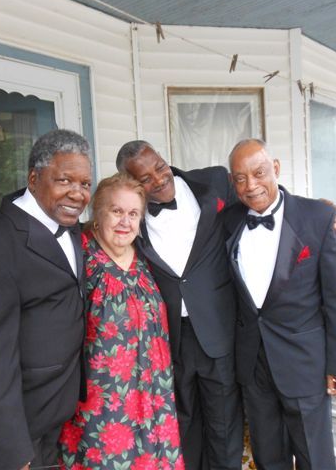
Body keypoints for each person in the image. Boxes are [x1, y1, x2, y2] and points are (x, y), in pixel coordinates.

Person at [0, 129, 92, 470]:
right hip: (20, 422)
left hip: (58, 410)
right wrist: (10, 451)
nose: (77, 194)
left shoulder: (70, 226)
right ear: (34, 179)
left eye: (85, 184)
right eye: (65, 180)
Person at [224, 138, 336, 470]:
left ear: (276, 169)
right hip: (253, 366)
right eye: (240, 178)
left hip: (305, 363)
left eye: (259, 172)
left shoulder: (319, 217)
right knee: (269, 458)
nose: (250, 185)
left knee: (315, 457)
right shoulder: (228, 221)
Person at [116, 141, 243, 470]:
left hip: (217, 330)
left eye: (159, 166)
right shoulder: (132, 217)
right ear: (132, 184)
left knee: (225, 425)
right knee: (182, 425)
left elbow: (257, 194)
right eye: (144, 178)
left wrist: (304, 206)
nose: (158, 179)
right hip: (170, 339)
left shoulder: (213, 182)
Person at [59, 173, 184, 469]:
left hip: (155, 400)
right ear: (97, 214)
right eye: (116, 211)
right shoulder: (79, 258)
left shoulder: (148, 259)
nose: (125, 222)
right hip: (102, 405)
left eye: (133, 214)